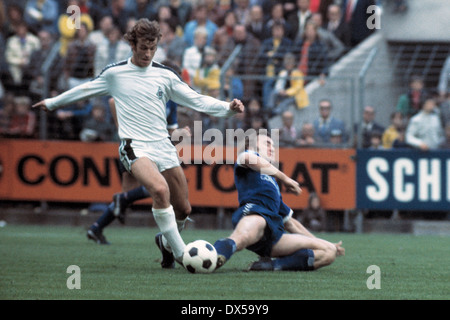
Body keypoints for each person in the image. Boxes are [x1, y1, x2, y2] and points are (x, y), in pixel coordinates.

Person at [32, 19, 244, 266]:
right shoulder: (115, 73)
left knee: (184, 209)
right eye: (143, 47)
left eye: (152, 48)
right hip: (134, 146)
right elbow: (85, 90)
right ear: (132, 44)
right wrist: (53, 102)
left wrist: (228, 108)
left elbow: (196, 100)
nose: (147, 53)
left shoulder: (165, 75)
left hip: (162, 145)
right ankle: (181, 255)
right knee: (160, 190)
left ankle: (164, 242)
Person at [213, 133, 344, 271]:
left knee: (328, 252)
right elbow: (249, 158)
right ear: (252, 145)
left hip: (272, 236)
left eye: (274, 145)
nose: (273, 148)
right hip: (254, 214)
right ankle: (216, 255)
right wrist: (285, 178)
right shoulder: (246, 157)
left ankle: (269, 265)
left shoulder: (273, 186)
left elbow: (291, 223)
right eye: (267, 143)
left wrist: (318, 242)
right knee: (251, 228)